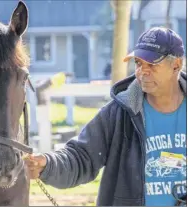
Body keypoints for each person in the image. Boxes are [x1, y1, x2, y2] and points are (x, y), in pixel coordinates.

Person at [24, 27, 187, 206]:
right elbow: (81, 156)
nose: (142, 71)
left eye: (152, 64)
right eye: (139, 63)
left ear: (176, 65)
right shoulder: (118, 114)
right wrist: (48, 165)